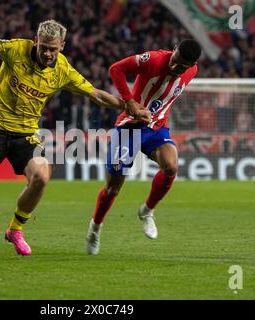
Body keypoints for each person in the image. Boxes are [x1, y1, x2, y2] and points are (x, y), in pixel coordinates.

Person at [0, 18, 150, 258]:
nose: (48, 53)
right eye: (43, 47)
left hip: (26, 134)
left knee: (41, 176)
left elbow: (97, 95)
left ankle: (15, 230)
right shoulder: (15, 50)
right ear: (36, 41)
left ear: (62, 45)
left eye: (53, 48)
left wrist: (130, 107)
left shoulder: (63, 70)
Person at [86, 39, 201, 254]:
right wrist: (129, 101)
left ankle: (147, 211)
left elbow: (164, 97)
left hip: (156, 128)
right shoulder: (154, 59)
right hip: (129, 126)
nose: (176, 68)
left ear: (192, 65)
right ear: (173, 50)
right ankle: (95, 228)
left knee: (171, 167)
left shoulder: (192, 72)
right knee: (113, 189)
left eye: (183, 67)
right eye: (175, 61)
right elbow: (115, 69)